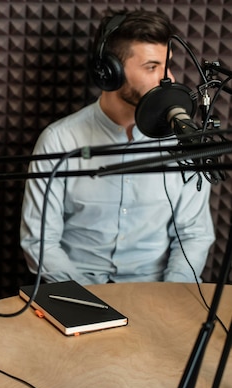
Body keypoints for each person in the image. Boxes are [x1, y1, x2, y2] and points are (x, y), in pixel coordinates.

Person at [20, 9, 215, 285]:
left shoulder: (184, 142)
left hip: (155, 293)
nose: (166, 78)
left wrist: (169, 296)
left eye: (167, 64)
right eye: (151, 66)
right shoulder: (59, 140)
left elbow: (194, 234)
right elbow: (40, 242)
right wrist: (88, 302)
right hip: (78, 289)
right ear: (109, 72)